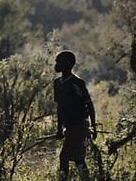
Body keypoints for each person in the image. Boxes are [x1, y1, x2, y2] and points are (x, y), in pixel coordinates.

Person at [53, 50, 96, 181]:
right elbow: (60, 107)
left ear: (68, 64)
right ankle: (86, 178)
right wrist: (60, 129)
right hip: (70, 128)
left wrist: (93, 126)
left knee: (65, 157)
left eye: (59, 61)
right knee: (78, 159)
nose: (56, 64)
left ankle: (64, 178)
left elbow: (89, 105)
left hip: (79, 126)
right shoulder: (57, 83)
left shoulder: (77, 83)